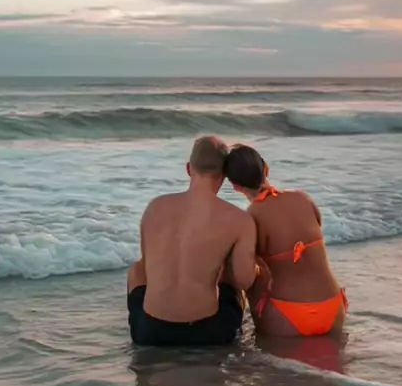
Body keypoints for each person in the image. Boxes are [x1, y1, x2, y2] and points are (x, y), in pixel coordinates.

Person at [127, 136, 257, 346]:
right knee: (228, 274)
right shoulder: (239, 219)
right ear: (224, 174)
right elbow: (244, 281)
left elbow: (147, 264)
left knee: (137, 270)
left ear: (188, 169)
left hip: (149, 332)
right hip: (208, 334)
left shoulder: (155, 207)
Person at [224, 144, 348, 337]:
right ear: (266, 168)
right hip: (334, 309)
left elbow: (245, 277)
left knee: (248, 271)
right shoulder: (303, 199)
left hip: (289, 317)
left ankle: (255, 333)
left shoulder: (251, 216)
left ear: (235, 186)